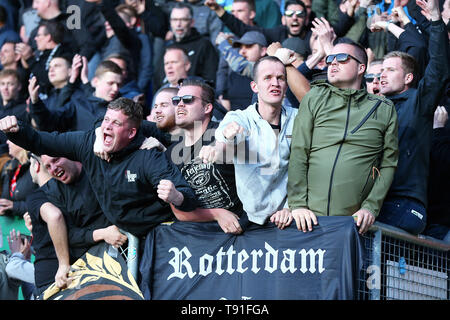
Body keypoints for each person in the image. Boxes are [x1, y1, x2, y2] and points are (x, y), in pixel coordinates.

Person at [0, 97, 198, 237]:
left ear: (131, 133)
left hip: (159, 233)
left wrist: (176, 196)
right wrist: (18, 130)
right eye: (106, 120)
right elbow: (45, 141)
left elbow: (187, 196)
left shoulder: (149, 155)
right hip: (122, 235)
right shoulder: (89, 142)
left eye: (116, 123)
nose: (107, 127)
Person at [287, 38, 399, 235]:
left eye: (341, 58)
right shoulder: (315, 97)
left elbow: (389, 164)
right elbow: (298, 151)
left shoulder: (384, 108)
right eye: (330, 59)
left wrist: (370, 207)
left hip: (353, 224)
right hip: (308, 219)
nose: (333, 63)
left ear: (361, 68)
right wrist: (297, 205)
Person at [376, 0, 449, 235]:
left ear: (408, 78)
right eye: (381, 70)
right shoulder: (374, 108)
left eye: (390, 70)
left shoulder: (419, 102)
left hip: (404, 204)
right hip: (375, 201)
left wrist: (436, 22)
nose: (382, 75)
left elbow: (438, 68)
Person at [198, 56, 297, 229]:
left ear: (286, 86)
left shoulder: (298, 117)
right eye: (267, 78)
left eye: (280, 78)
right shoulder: (240, 118)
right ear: (255, 87)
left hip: (288, 217)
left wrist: (290, 207)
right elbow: (224, 141)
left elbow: (306, 169)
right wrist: (216, 147)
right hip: (252, 218)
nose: (275, 83)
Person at [166, 79, 245, 234]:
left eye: (188, 100)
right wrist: (217, 214)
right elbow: (179, 212)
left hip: (247, 227)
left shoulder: (222, 133)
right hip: (205, 237)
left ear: (207, 107)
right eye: (176, 101)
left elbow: (239, 135)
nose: (180, 104)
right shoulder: (171, 153)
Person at [28, 59, 122, 132]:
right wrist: (35, 102)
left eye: (118, 85)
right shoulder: (78, 104)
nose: (115, 88)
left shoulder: (121, 109)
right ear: (95, 81)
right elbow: (50, 122)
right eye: (110, 83)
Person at [167, 2, 219, 86]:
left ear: (192, 22)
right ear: (170, 22)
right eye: (175, 20)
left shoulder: (204, 45)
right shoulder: (168, 47)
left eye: (183, 19)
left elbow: (211, 79)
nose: (178, 24)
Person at [215, 30, 267, 111]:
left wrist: (223, 43)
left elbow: (240, 65)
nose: (242, 51)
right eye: (241, 47)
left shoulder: (268, 69)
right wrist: (230, 40)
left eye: (248, 46)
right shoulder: (234, 74)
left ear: (263, 51)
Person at [0, 140, 37, 217]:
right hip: (13, 227)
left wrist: (15, 206)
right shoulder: (9, 167)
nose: (7, 142)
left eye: (11, 139)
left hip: (35, 224)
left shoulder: (36, 165)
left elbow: (48, 204)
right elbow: (5, 198)